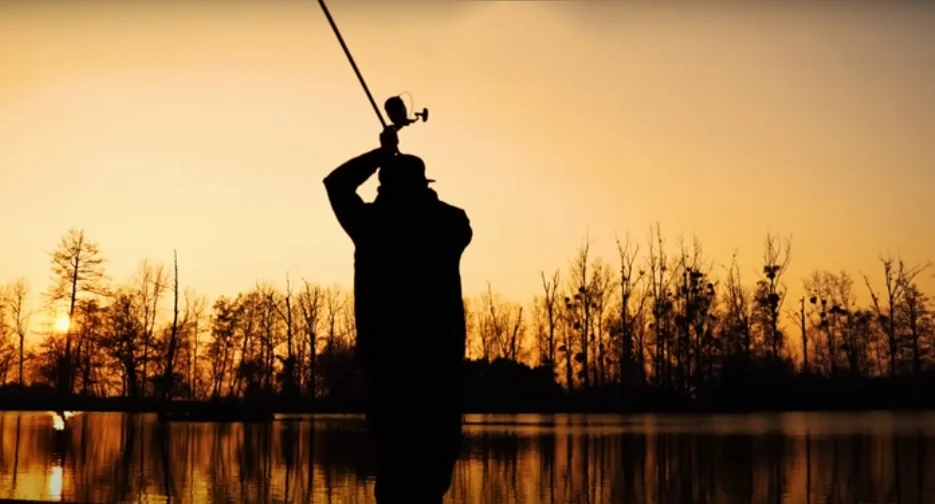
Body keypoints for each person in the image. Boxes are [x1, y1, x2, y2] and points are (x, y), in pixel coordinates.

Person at [323, 127, 473, 503]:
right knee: (434, 469)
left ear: (383, 187)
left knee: (395, 468)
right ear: (424, 187)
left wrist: (380, 154)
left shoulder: (371, 225)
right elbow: (452, 219)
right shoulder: (449, 223)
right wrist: (407, 180)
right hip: (439, 366)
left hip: (388, 365)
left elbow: (336, 183)